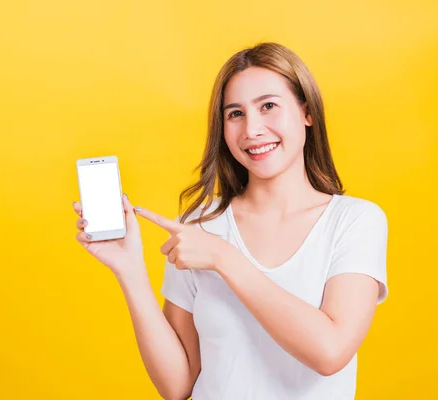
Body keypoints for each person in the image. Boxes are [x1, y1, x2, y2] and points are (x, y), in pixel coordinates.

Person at [72, 42, 388, 400]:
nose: (252, 129)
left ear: (306, 112)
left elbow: (330, 352)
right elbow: (177, 386)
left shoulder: (355, 221)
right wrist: (130, 271)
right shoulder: (199, 226)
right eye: (235, 114)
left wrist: (224, 258)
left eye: (268, 106)